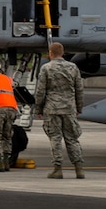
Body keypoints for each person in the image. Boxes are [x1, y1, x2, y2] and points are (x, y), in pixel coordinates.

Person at [33, 40, 86, 178]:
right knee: (72, 138)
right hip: (69, 108)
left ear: (50, 53)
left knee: (55, 138)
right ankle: (79, 168)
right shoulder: (73, 67)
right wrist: (79, 107)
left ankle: (58, 169)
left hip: (52, 109)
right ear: (63, 53)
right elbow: (79, 89)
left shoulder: (46, 68)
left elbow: (40, 91)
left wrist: (38, 108)